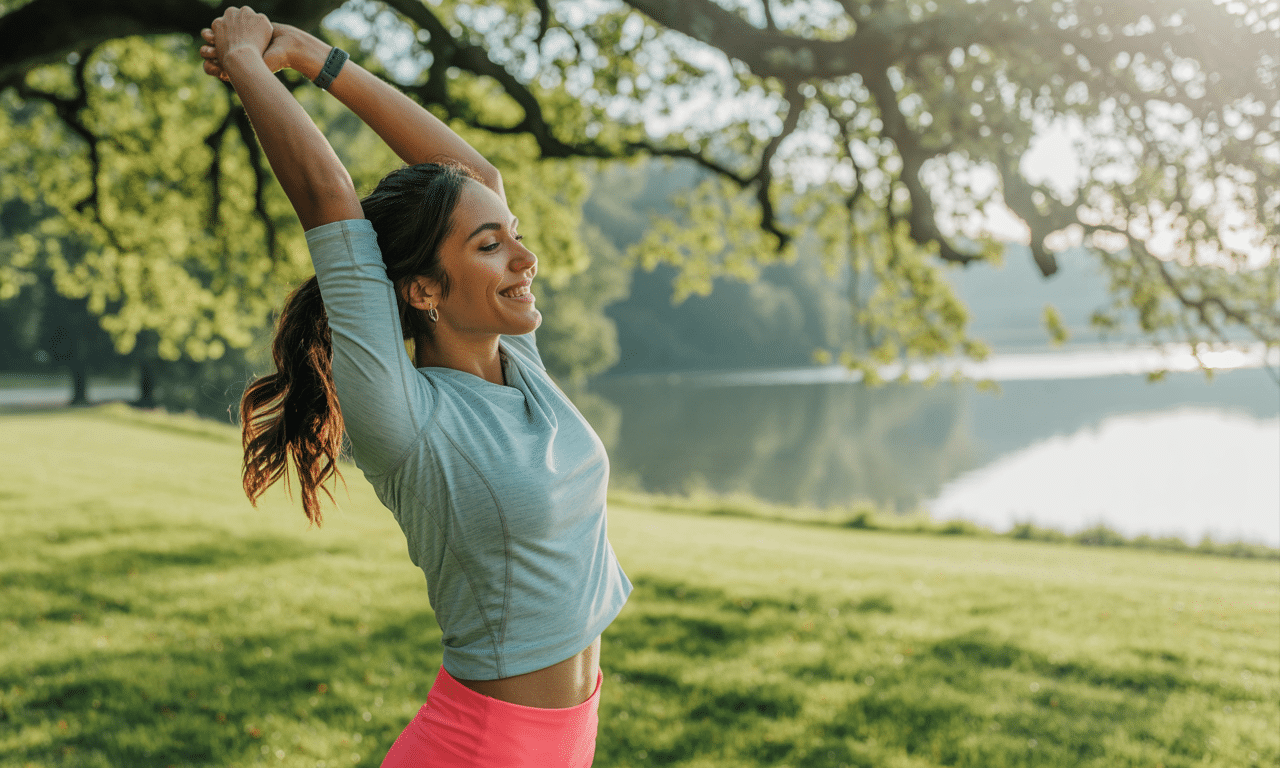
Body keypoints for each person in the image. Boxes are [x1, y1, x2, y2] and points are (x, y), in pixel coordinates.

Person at [198, 8, 632, 766]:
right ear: (426, 292)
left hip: (564, 740)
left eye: (515, 236)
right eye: (491, 246)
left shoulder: (517, 365)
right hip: (480, 750)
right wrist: (247, 65)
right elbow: (329, 197)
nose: (525, 259)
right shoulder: (405, 417)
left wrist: (313, 56)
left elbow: (480, 179)